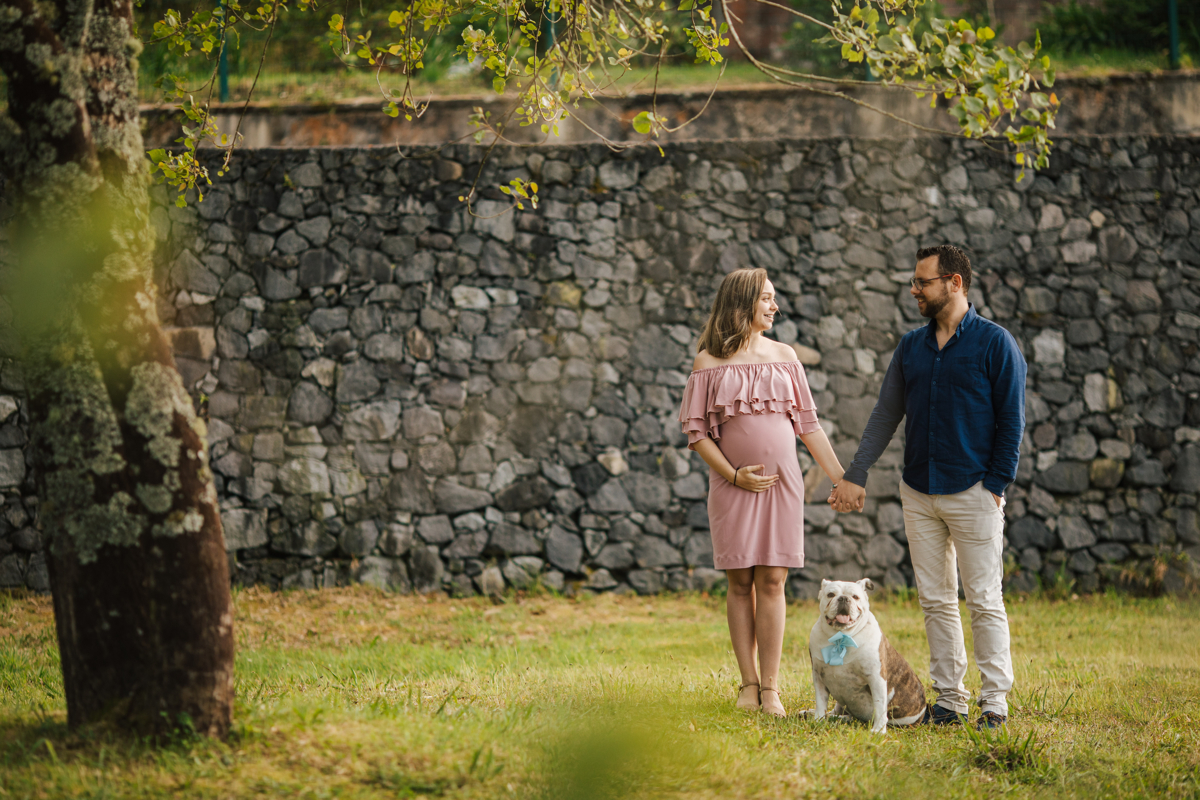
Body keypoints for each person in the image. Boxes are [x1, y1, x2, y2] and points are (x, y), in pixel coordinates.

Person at [829, 244, 1026, 730]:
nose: (914, 289)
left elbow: (1012, 420)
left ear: (955, 282)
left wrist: (996, 483)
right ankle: (951, 700)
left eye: (923, 281)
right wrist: (857, 471)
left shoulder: (995, 343)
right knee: (936, 600)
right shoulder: (910, 347)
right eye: (914, 282)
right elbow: (884, 415)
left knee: (983, 598)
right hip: (918, 491)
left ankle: (994, 702)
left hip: (974, 490)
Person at [678, 267, 846, 718]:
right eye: (767, 299)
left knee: (773, 581)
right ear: (742, 303)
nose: (774, 306)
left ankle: (770, 689)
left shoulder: (785, 355)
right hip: (731, 486)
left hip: (782, 485)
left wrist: (841, 477)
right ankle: (747, 685)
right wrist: (735, 476)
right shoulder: (708, 363)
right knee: (740, 583)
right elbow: (697, 435)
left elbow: (808, 427)